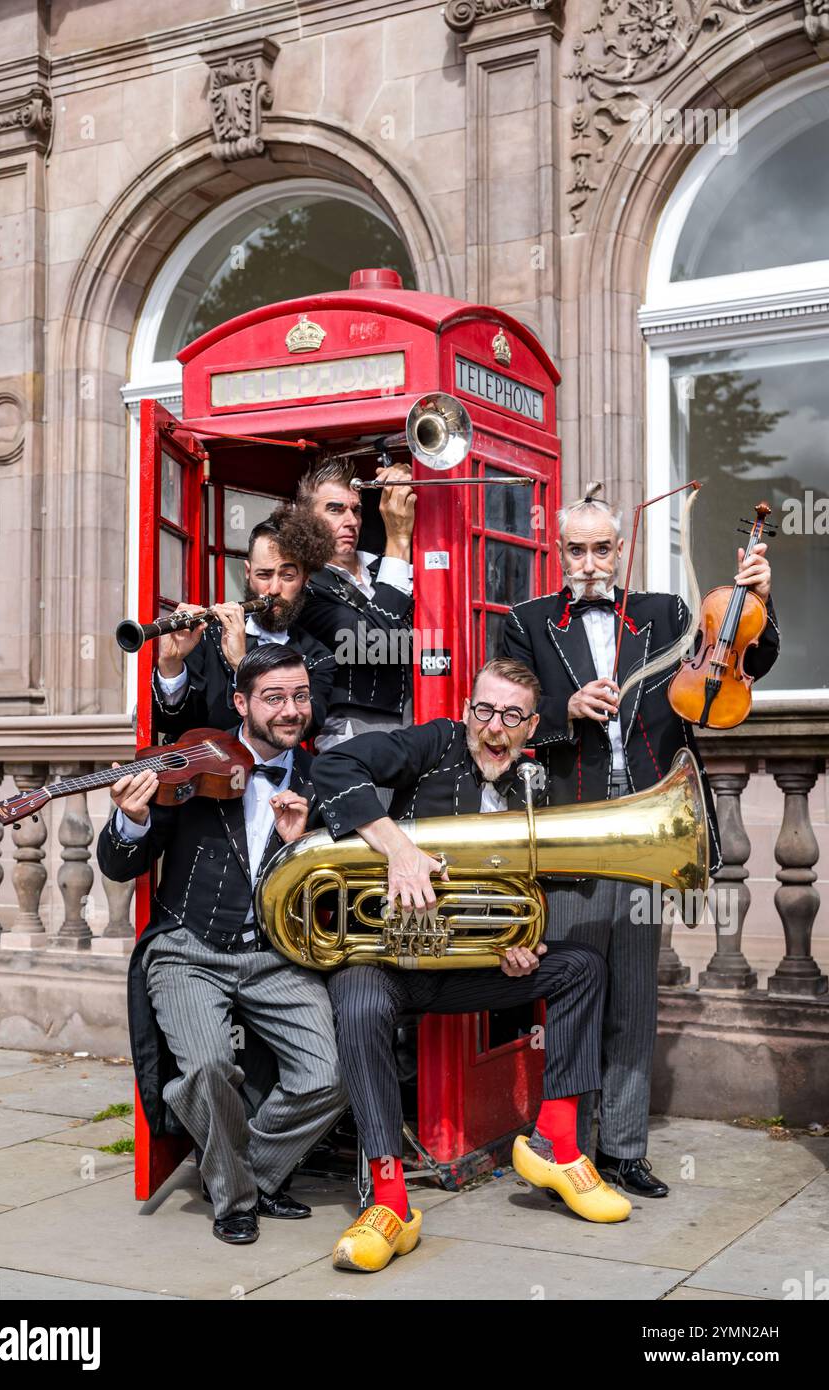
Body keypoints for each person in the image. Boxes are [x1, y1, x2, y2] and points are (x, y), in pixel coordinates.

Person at [502, 482, 779, 1197]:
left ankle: (623, 1149)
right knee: (572, 992)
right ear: (556, 551)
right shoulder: (527, 622)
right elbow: (498, 722)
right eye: (577, 549)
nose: (591, 562)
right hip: (572, 827)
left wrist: (760, 600)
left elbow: (743, 656)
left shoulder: (665, 613)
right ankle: (570, 1148)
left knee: (633, 995)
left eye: (603, 548)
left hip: (653, 826)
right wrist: (561, 711)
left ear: (621, 550)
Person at [311, 657, 630, 1274]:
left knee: (583, 966)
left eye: (512, 716)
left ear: (532, 725)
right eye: (484, 710)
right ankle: (390, 1201)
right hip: (394, 962)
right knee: (357, 997)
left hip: (467, 970)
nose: (494, 728)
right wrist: (398, 848)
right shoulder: (431, 743)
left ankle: (556, 1143)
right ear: (466, 712)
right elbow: (333, 764)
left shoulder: (539, 785)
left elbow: (530, 891)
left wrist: (519, 944)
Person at [97, 645, 347, 1245]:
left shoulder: (323, 779)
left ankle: (245, 1174)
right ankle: (234, 1200)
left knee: (330, 1076)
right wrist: (130, 820)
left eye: (301, 697)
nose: (292, 711)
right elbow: (117, 862)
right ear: (241, 703)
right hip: (189, 949)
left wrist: (304, 843)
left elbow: (337, 893)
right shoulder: (193, 762)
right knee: (208, 1067)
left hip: (274, 955)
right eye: (275, 698)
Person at [152, 505, 336, 740]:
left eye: (287, 576)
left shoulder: (319, 658)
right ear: (247, 573)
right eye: (264, 575)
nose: (273, 589)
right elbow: (172, 724)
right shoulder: (207, 633)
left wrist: (243, 665)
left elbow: (302, 726)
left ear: (305, 579)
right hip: (200, 774)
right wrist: (170, 665)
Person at [295, 456, 415, 750]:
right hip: (355, 731)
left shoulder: (381, 567)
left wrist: (410, 482)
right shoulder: (304, 588)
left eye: (357, 510)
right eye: (335, 510)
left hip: (423, 716)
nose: (351, 521)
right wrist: (398, 539)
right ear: (304, 517)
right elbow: (375, 646)